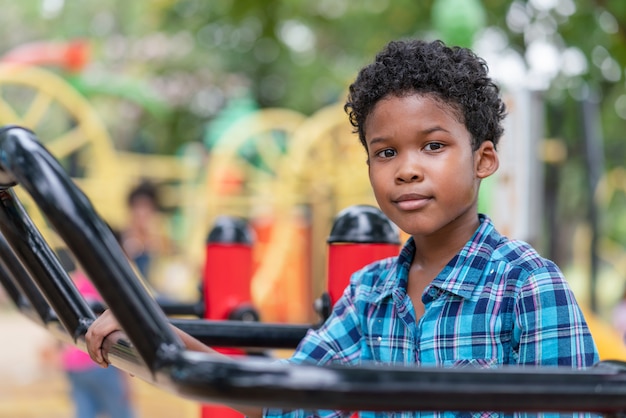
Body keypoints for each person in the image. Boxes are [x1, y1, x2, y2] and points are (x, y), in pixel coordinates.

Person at [85, 39, 599, 417]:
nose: (407, 168)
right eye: (386, 152)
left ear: (483, 159)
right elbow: (284, 398)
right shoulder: (371, 292)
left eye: (434, 146)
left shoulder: (527, 286)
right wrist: (153, 332)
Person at [55, 249, 136, 418]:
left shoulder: (70, 285)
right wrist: (126, 381)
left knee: (85, 412)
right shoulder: (104, 289)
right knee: (121, 411)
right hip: (98, 361)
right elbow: (115, 334)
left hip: (73, 363)